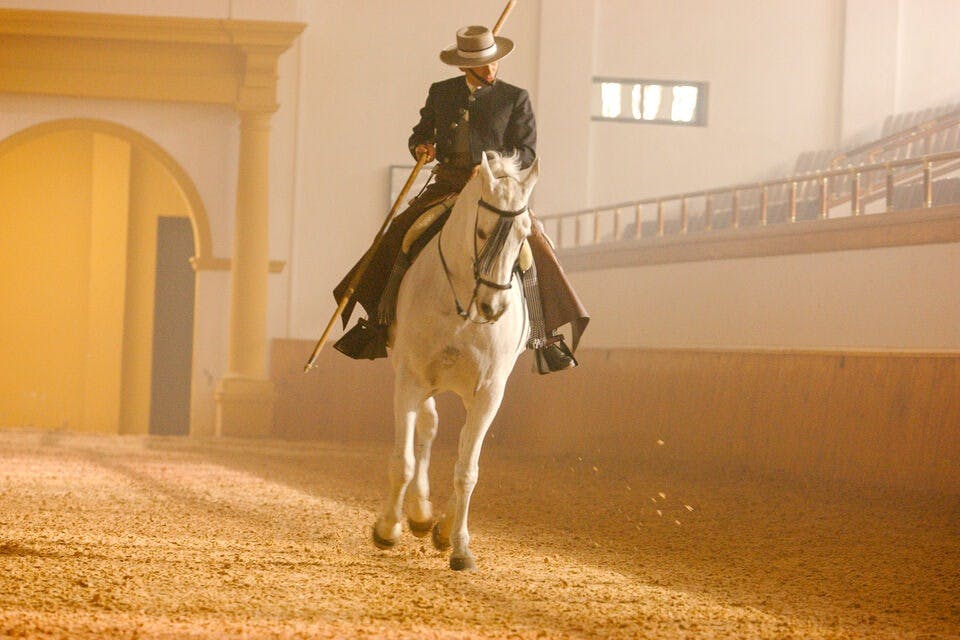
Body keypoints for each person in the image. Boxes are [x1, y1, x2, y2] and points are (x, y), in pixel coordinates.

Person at [334, 25, 588, 373]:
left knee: (534, 245)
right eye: (483, 65)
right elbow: (421, 131)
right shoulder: (441, 93)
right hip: (448, 184)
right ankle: (376, 323)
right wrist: (421, 146)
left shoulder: (515, 97)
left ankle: (545, 336)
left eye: (494, 62)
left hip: (495, 189)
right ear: (462, 67)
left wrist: (492, 169)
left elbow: (525, 151)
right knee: (401, 233)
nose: (491, 69)